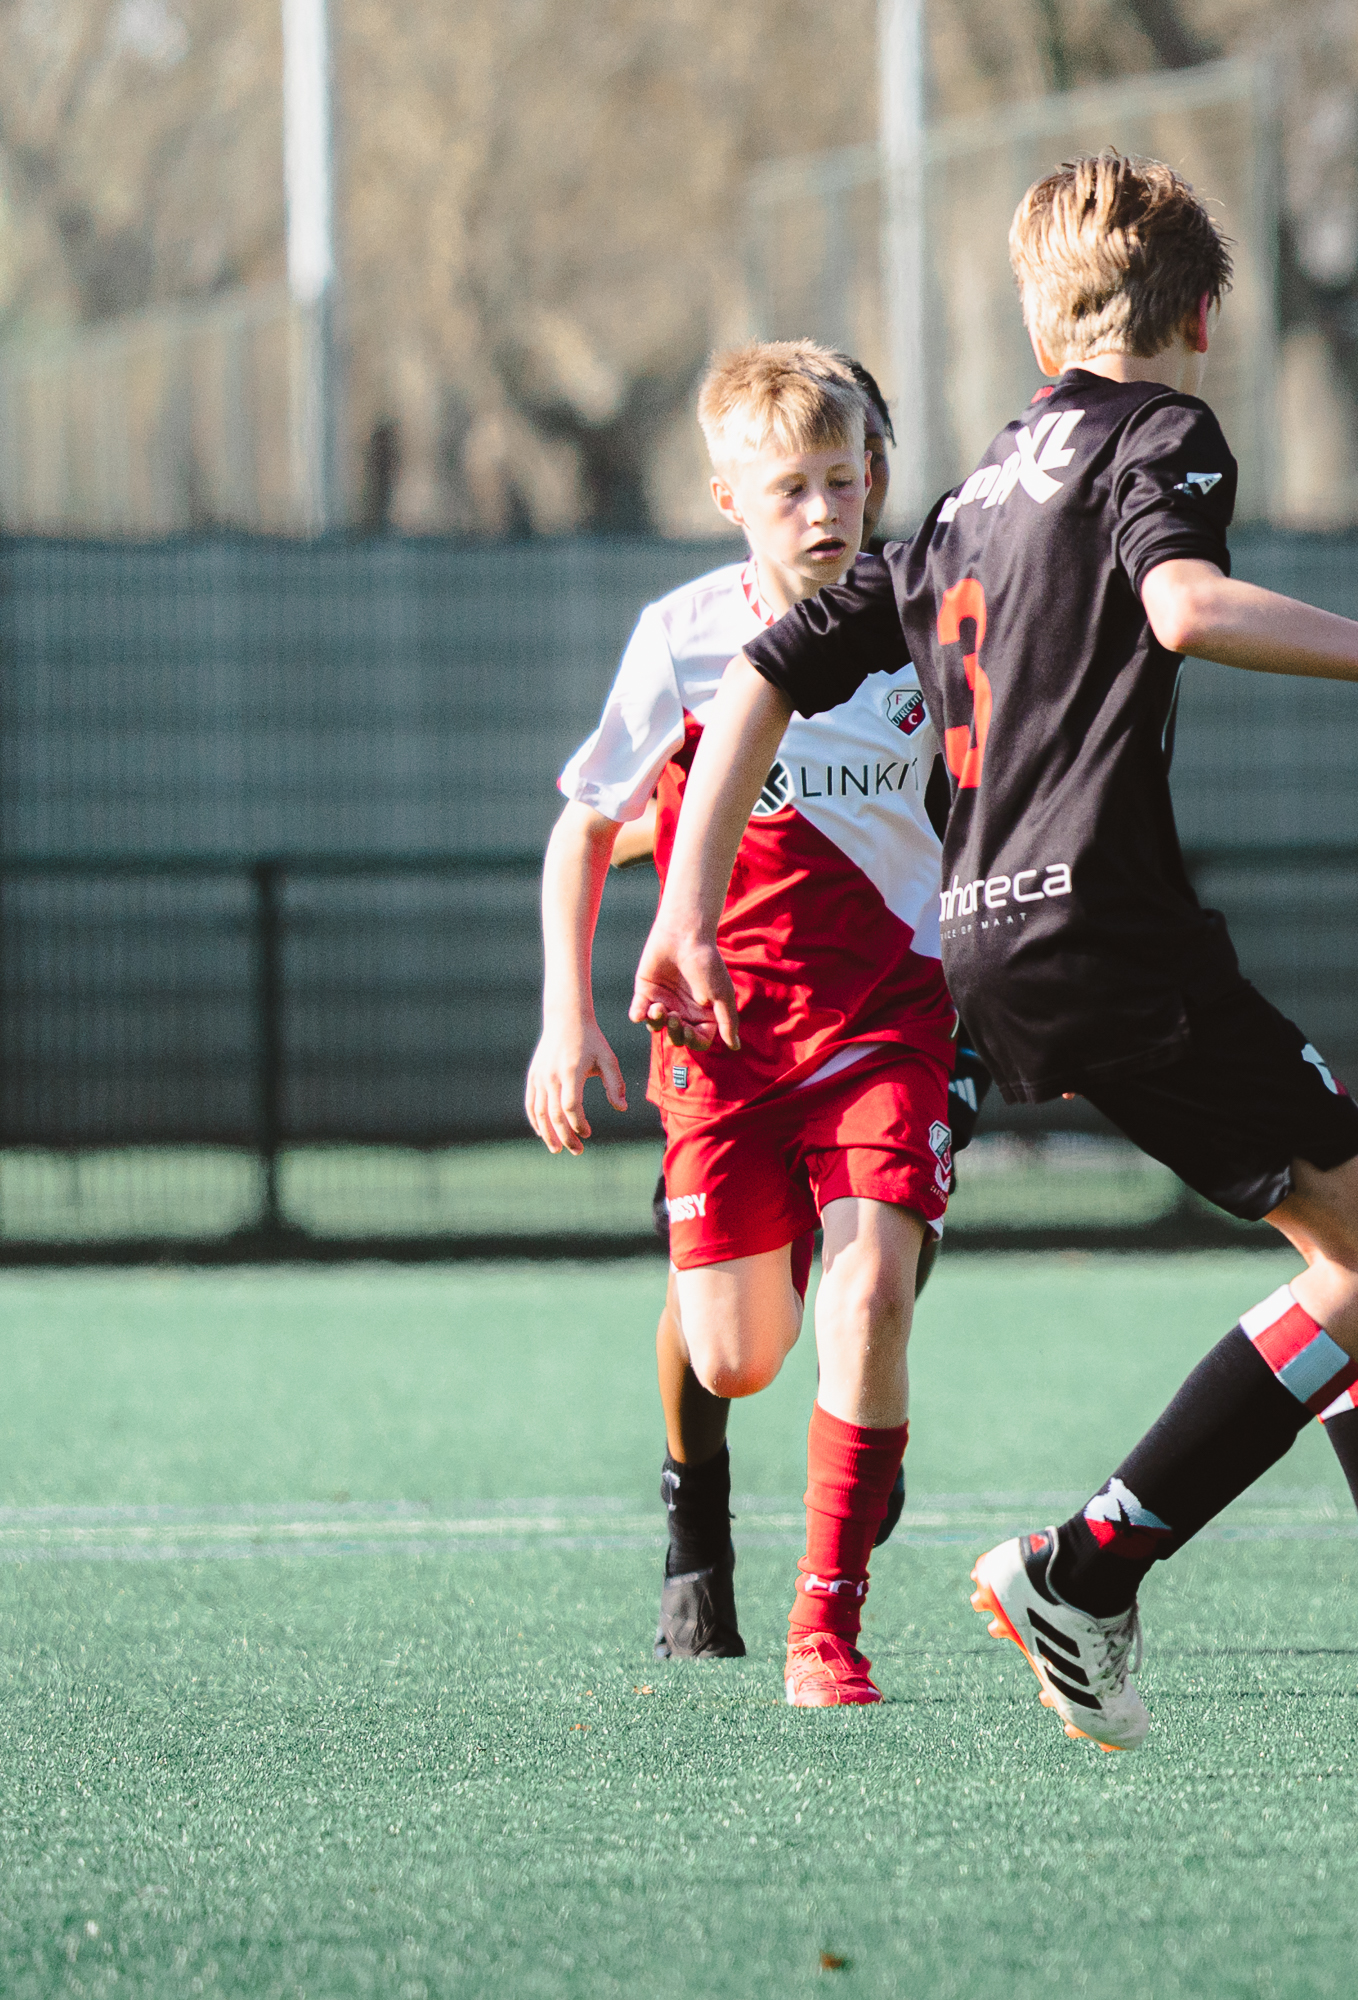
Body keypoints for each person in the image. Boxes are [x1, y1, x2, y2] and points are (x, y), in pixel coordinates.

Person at [631, 152, 1358, 1771]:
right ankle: (1088, 1568)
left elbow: (756, 678)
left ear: (1043, 322)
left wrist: (680, 911)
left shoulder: (970, 491)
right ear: (1196, 316)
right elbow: (1182, 605)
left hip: (988, 943)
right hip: (1106, 930)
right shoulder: (1160, 433)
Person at [527, 340, 957, 1708]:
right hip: (722, 1039)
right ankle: (696, 1504)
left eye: (847, 479)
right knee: (737, 1352)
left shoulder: (929, 621)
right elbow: (584, 828)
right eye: (792, 490)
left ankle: (825, 1625)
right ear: (728, 499)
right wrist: (562, 1018)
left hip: (888, 1014)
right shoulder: (685, 637)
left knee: (871, 1287)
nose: (827, 510)